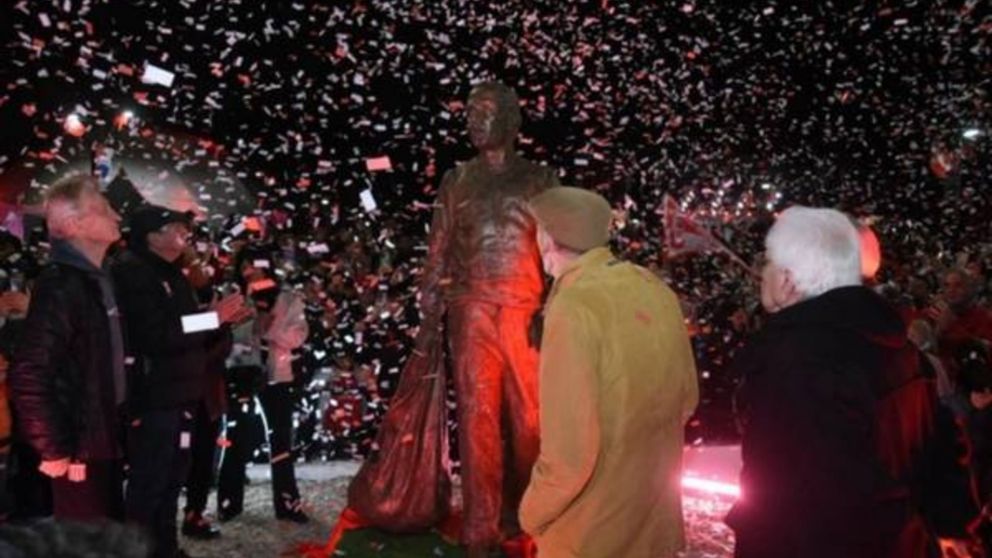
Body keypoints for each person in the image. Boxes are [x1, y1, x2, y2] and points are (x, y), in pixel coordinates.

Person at [727, 206, 980, 558]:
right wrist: (949, 523)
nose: (760, 273)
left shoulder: (800, 364)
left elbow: (804, 508)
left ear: (788, 280)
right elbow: (939, 447)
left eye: (767, 262)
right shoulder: (897, 348)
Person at [518, 187, 699, 557]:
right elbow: (687, 400)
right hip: (652, 522)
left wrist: (531, 514)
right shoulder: (653, 287)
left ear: (547, 238)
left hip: (591, 532)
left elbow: (569, 455)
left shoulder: (573, 308)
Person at [112, 204, 248, 558]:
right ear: (152, 236)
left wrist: (217, 321)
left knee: (171, 481)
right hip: (155, 397)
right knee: (149, 483)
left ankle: (165, 549)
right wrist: (210, 320)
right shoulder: (134, 272)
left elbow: (183, 327)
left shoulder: (172, 273)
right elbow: (155, 335)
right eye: (175, 227)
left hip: (181, 393)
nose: (185, 234)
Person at [7, 174, 126, 521]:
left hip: (100, 437)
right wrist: (55, 448)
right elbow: (29, 372)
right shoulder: (62, 285)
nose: (116, 216)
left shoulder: (98, 279)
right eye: (104, 209)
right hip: (78, 447)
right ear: (74, 224)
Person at [217, 252, 310, 523]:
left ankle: (287, 504)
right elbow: (219, 333)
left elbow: (298, 336)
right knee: (234, 438)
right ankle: (229, 503)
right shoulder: (232, 297)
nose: (250, 272)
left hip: (277, 375)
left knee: (281, 440)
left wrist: (269, 331)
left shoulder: (287, 299)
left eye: (254, 265)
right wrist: (249, 328)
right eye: (244, 266)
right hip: (240, 374)